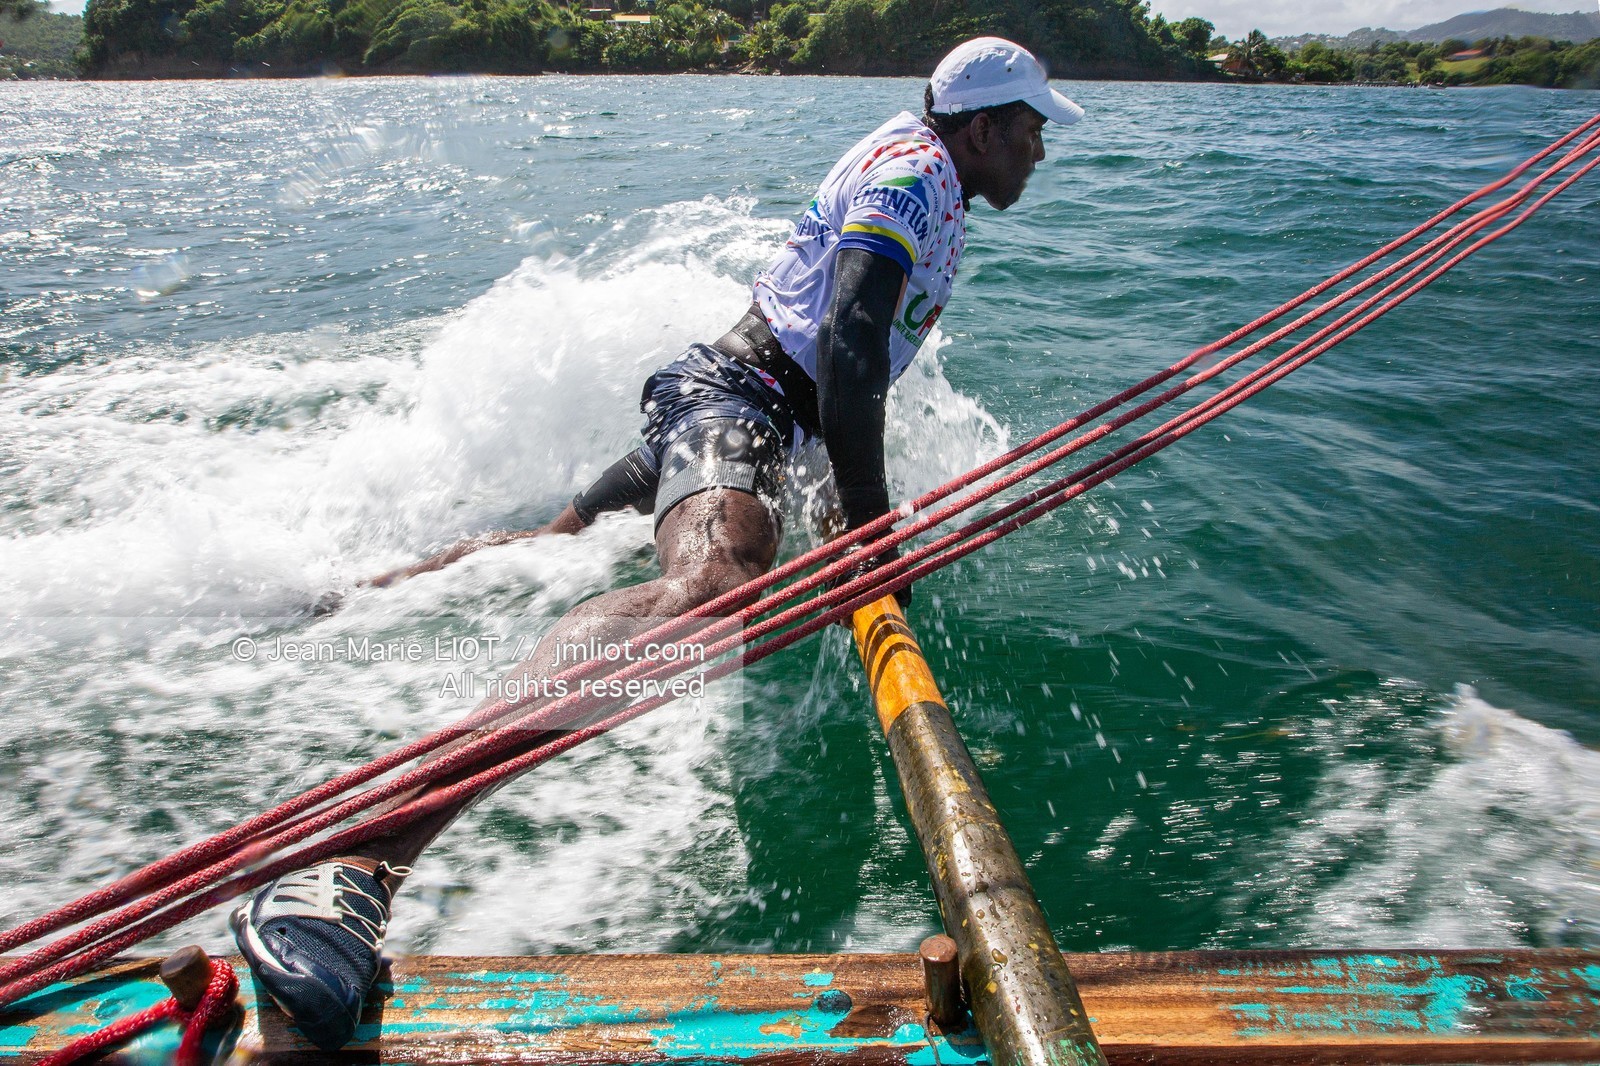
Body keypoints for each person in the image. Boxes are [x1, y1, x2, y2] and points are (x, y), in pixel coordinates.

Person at [232, 36, 1083, 1052]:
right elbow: (851, 352)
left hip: (738, 411)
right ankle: (361, 860)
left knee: (556, 539)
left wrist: (831, 488)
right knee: (714, 586)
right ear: (982, 127)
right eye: (1030, 131)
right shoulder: (912, 177)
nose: (1039, 151)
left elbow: (841, 367)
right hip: (733, 408)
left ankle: (357, 592)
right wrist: (875, 529)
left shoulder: (923, 163)